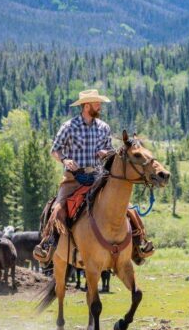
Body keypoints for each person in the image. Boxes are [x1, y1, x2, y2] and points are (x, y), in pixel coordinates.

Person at [33, 89, 114, 263]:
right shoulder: (69, 126)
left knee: (124, 206)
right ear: (86, 106)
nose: (100, 106)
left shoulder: (104, 127)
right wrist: (65, 159)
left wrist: (105, 152)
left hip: (99, 178)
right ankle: (47, 245)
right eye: (96, 103)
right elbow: (55, 150)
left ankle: (139, 242)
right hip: (74, 179)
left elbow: (111, 150)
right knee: (57, 209)